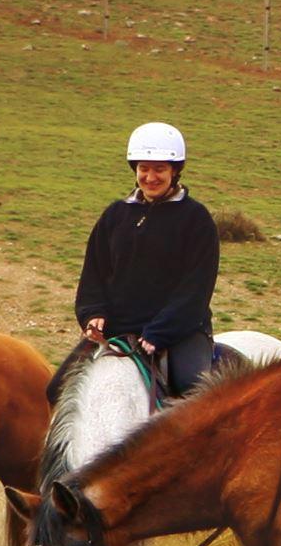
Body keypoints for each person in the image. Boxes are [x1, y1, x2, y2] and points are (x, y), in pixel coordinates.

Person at [73, 121, 220, 396]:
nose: (150, 177)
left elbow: (196, 290)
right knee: (57, 388)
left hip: (180, 332)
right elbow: (94, 272)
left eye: (160, 169)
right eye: (144, 168)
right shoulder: (115, 215)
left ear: (175, 171)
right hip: (117, 330)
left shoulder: (196, 220)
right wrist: (93, 314)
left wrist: (159, 333)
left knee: (195, 392)